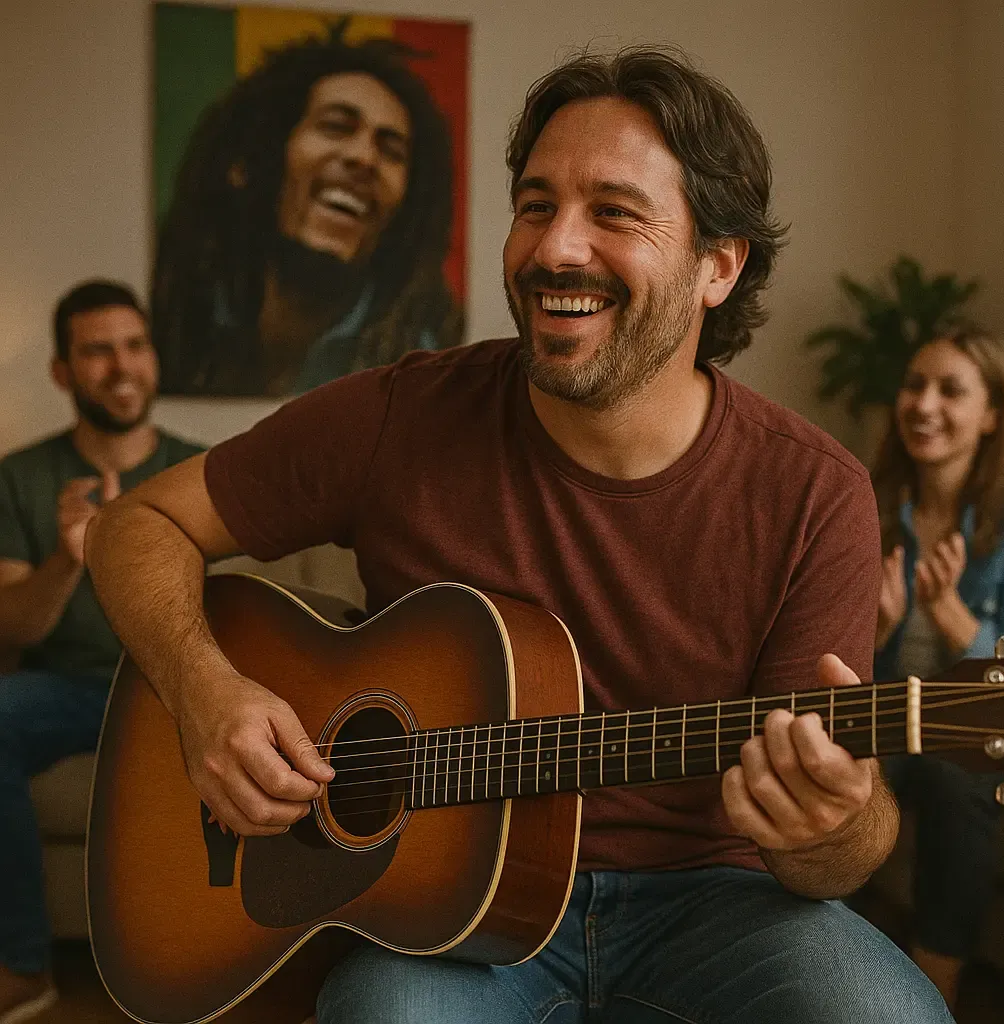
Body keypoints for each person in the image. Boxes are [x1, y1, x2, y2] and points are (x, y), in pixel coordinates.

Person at [85, 49, 950, 1023]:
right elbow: (135, 524)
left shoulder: (814, 492)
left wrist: (832, 821)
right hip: (441, 924)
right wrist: (205, 690)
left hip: (715, 903)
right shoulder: (403, 413)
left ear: (718, 264)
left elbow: (832, 850)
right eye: (535, 204)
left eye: (612, 212)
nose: (554, 248)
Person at [0, 280, 204, 1022]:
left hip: (176, 689)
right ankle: (25, 968)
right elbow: (13, 632)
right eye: (97, 351)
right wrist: (66, 560)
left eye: (134, 345)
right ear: (62, 371)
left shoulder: (204, 470)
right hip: (73, 691)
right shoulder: (20, 478)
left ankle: (211, 966)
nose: (121, 366)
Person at [152, 22, 462, 397]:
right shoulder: (172, 313)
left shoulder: (426, 361)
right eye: (335, 126)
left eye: (391, 150)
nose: (364, 158)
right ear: (252, 160)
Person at [873, 328, 1004, 1013]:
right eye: (914, 385)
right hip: (883, 714)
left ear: (992, 415)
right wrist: (875, 628)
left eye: (950, 390)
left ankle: (934, 994)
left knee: (952, 769)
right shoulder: (866, 505)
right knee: (837, 764)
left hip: (980, 730)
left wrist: (947, 611)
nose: (924, 404)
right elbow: (829, 668)